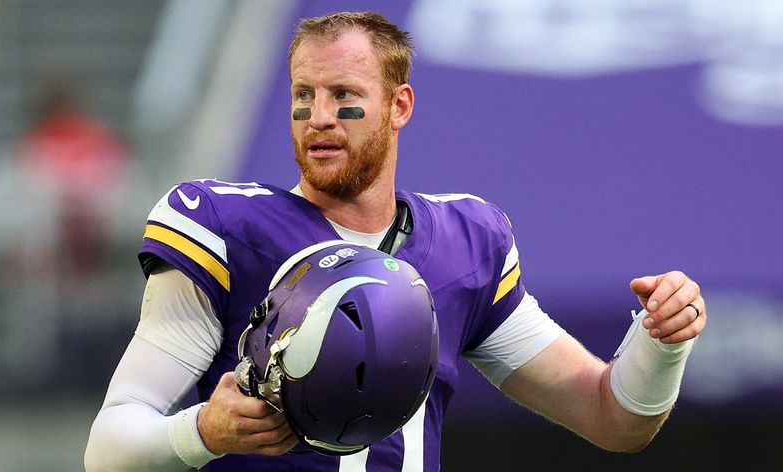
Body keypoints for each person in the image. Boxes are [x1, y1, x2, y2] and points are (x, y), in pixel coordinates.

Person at [84, 11, 707, 472]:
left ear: (399, 105)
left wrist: (662, 343)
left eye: (345, 96)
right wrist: (205, 431)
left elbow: (612, 417)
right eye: (304, 96)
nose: (319, 116)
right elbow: (108, 448)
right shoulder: (224, 228)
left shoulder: (466, 246)